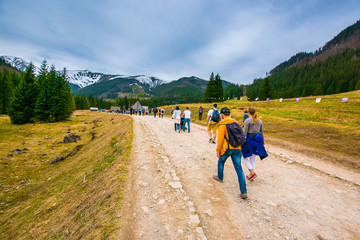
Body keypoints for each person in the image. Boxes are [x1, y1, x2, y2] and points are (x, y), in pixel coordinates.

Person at [213, 107, 247, 199]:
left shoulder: (222, 124)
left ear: (222, 115)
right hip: (237, 148)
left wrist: (218, 150)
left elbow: (220, 140)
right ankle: (244, 192)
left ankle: (220, 177)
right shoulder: (236, 123)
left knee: (221, 161)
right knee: (239, 169)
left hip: (227, 148)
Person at [242, 106, 268, 181]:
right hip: (257, 142)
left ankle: (252, 172)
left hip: (249, 141)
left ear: (248, 112)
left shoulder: (247, 121)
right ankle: (251, 175)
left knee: (244, 157)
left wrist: (242, 141)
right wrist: (263, 143)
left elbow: (245, 133)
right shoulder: (260, 121)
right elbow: (262, 133)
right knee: (253, 159)